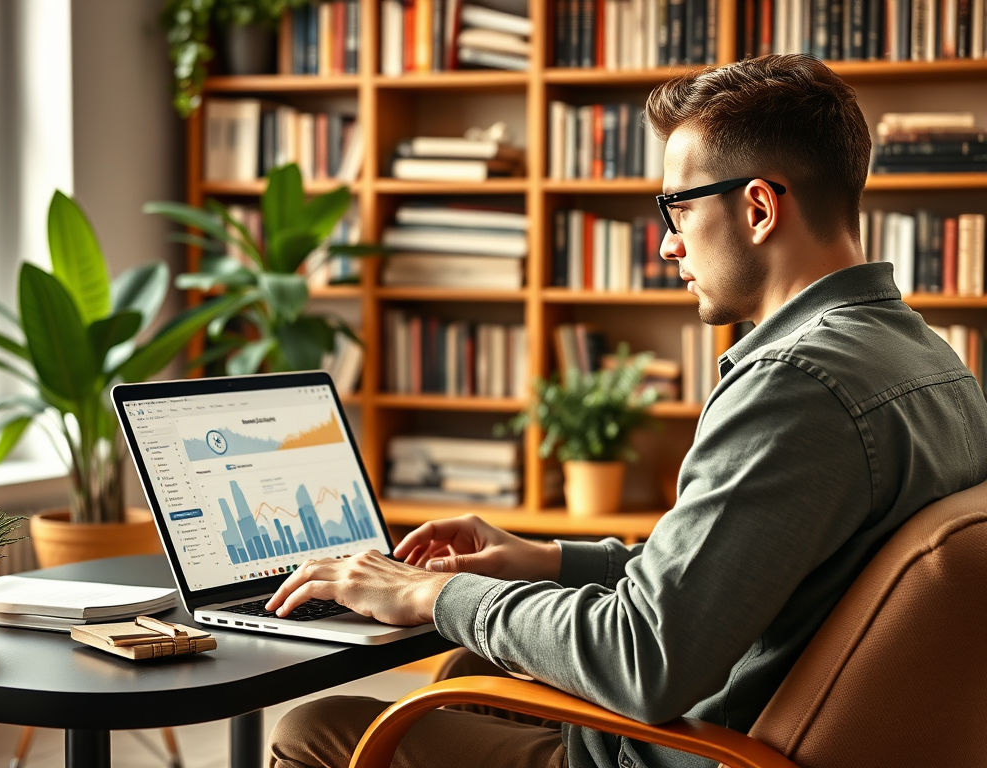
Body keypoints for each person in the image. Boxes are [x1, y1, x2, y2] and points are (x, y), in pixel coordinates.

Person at [266, 54, 987, 768]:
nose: (669, 242)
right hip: (749, 724)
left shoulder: (793, 386)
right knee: (468, 677)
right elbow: (730, 573)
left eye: (677, 206)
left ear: (760, 208)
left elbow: (645, 660)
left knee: (319, 728)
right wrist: (547, 560)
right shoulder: (932, 364)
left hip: (691, 750)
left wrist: (433, 592)